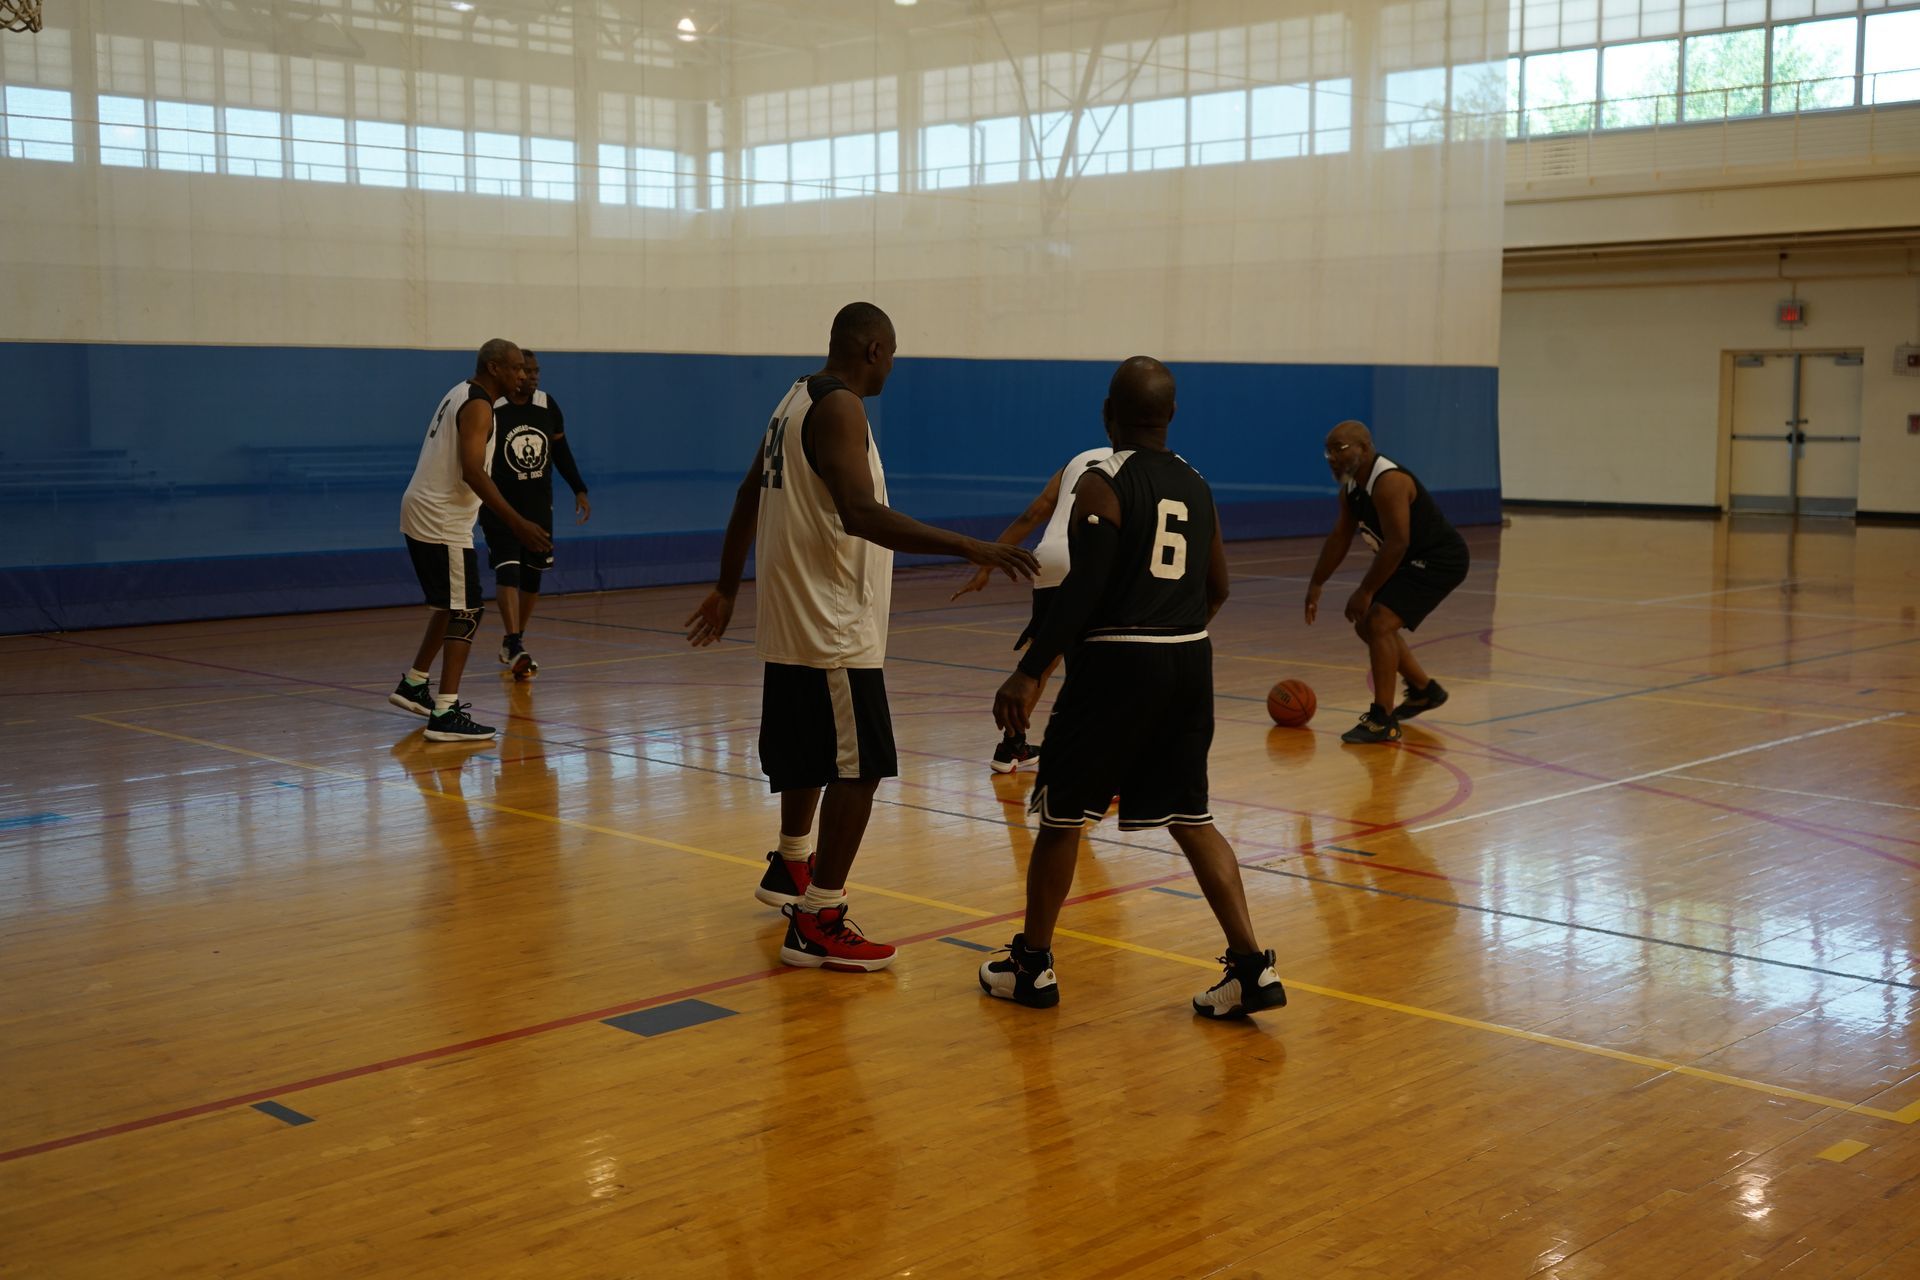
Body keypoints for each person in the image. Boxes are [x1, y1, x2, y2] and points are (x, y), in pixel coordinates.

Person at [684, 302, 1037, 972]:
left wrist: (729, 586)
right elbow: (859, 513)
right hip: (834, 623)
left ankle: (791, 865)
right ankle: (819, 916)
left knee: (813, 756)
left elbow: (745, 496)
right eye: (893, 355)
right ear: (873, 349)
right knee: (862, 767)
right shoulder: (841, 407)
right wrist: (970, 546)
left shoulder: (793, 399)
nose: (894, 368)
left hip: (793, 618)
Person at [980, 356, 1286, 1019]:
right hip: (1189, 660)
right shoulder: (1198, 485)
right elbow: (1220, 589)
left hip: (1118, 665)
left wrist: (1030, 670)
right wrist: (1171, 633)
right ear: (1171, 415)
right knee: (1192, 817)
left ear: (1107, 413)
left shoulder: (1101, 480)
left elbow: (1083, 589)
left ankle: (1031, 967)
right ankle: (1251, 967)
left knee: (1062, 817)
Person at [389, 340, 552, 742]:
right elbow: (472, 472)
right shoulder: (479, 405)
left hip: (428, 510)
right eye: (515, 368)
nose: (521, 375)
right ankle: (445, 712)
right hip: (440, 517)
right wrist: (517, 523)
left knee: (450, 604)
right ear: (494, 367)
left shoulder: (459, 391)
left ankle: (414, 684)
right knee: (468, 609)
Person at [1304, 419, 1470, 744]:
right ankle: (1424, 690)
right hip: (1409, 559)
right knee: (1366, 624)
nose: (1332, 458)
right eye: (1328, 453)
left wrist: (1365, 591)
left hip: (1440, 559)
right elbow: (1339, 537)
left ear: (1365, 448)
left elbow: (1397, 543)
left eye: (1339, 449)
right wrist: (1317, 583)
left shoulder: (1389, 481)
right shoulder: (1351, 489)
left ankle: (1383, 719)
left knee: (1378, 621)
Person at [952, 444, 1113, 773]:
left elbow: (1033, 514)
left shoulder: (1077, 461)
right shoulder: (1134, 464)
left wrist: (987, 564)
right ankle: (1094, 766)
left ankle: (1012, 746)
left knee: (1041, 660)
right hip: (1089, 558)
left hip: (1050, 560)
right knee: (1097, 668)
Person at [483, 350, 591, 678]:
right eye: (525, 371)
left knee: (532, 578)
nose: (532, 376)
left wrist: (579, 488)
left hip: (538, 507)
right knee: (509, 571)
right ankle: (515, 643)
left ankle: (513, 641)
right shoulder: (493, 408)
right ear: (512, 374)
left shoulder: (547, 406)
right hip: (500, 506)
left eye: (536, 371)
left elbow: (560, 450)